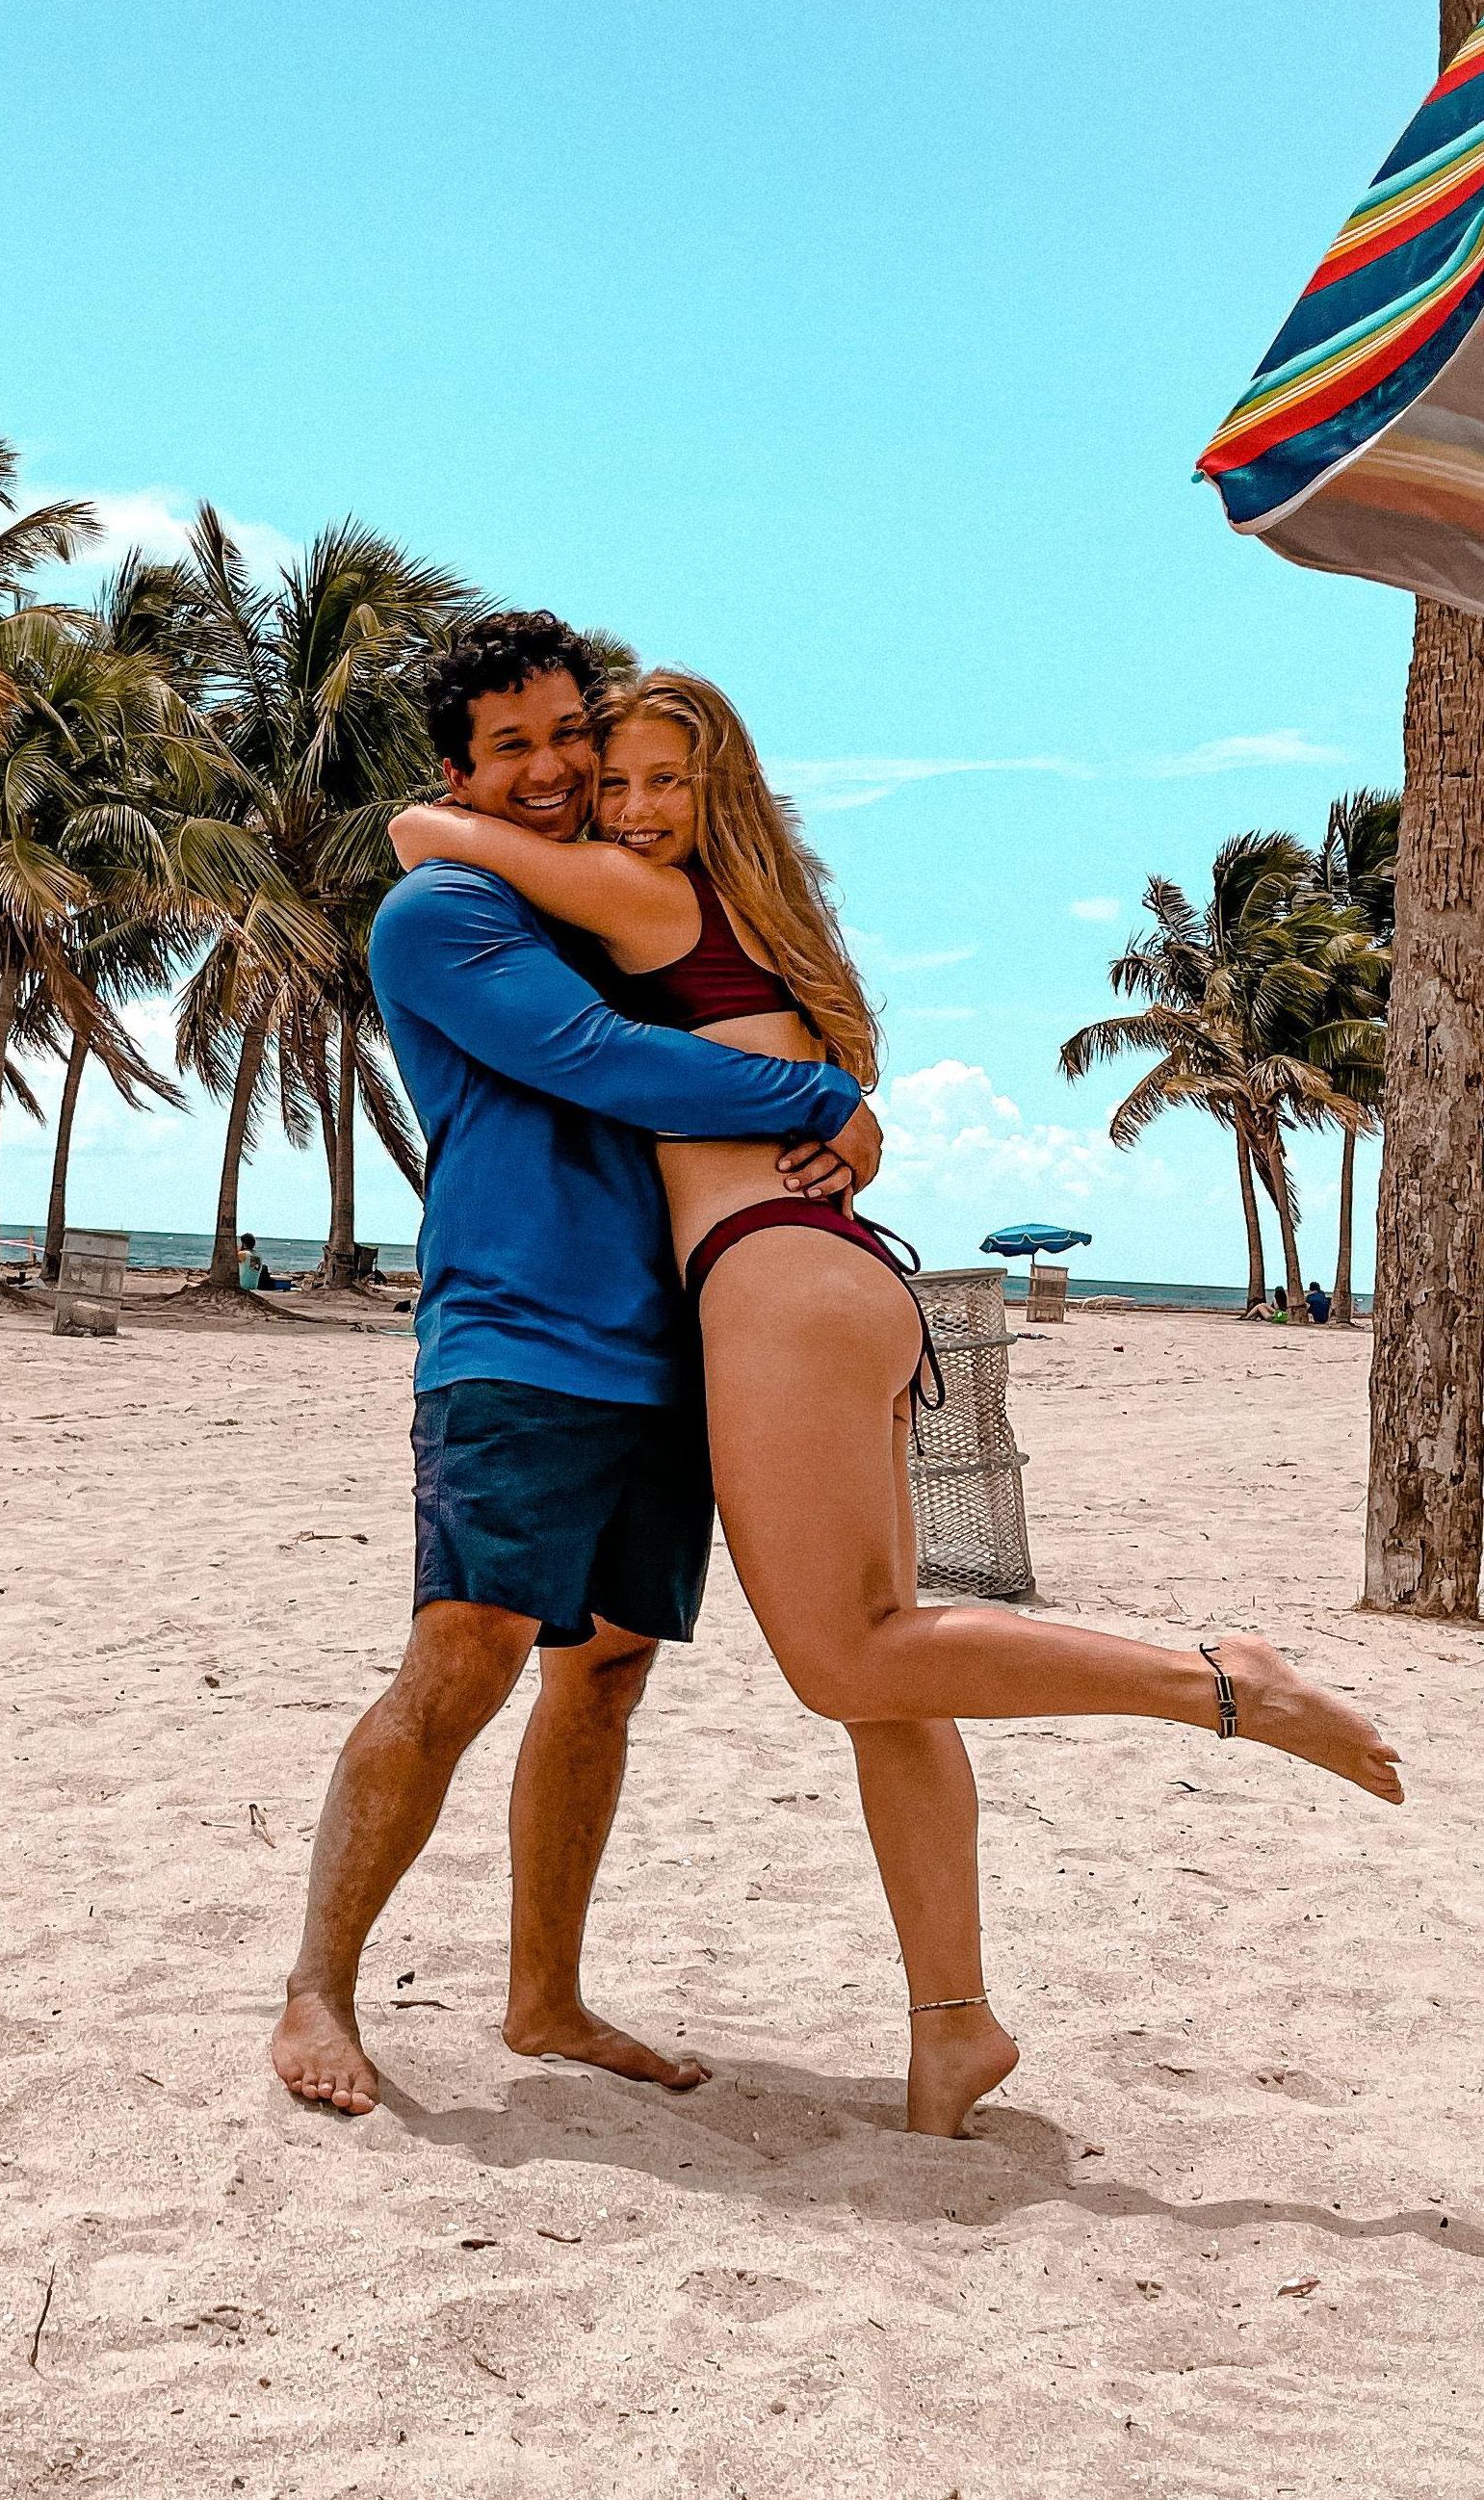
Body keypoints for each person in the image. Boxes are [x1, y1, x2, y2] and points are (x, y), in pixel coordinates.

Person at [385, 655, 1404, 2135]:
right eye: (614, 781)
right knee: (899, 1675)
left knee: (849, 1659)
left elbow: (441, 843)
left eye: (659, 779)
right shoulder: (767, 927)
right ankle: (955, 2026)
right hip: (840, 1274)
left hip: (773, 1282)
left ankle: (1222, 1683)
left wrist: (458, 811)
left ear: (717, 795)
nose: (620, 804)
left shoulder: (655, 904)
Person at [272, 614, 881, 2125]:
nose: (550, 774)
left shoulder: (619, 903)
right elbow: (604, 1064)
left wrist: (845, 1123)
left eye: (569, 740)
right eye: (512, 748)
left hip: (672, 1343)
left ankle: (545, 1997)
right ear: (459, 771)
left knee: (604, 1674)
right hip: (519, 1334)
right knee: (464, 1657)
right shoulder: (444, 914)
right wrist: (831, 1094)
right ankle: (317, 1990)